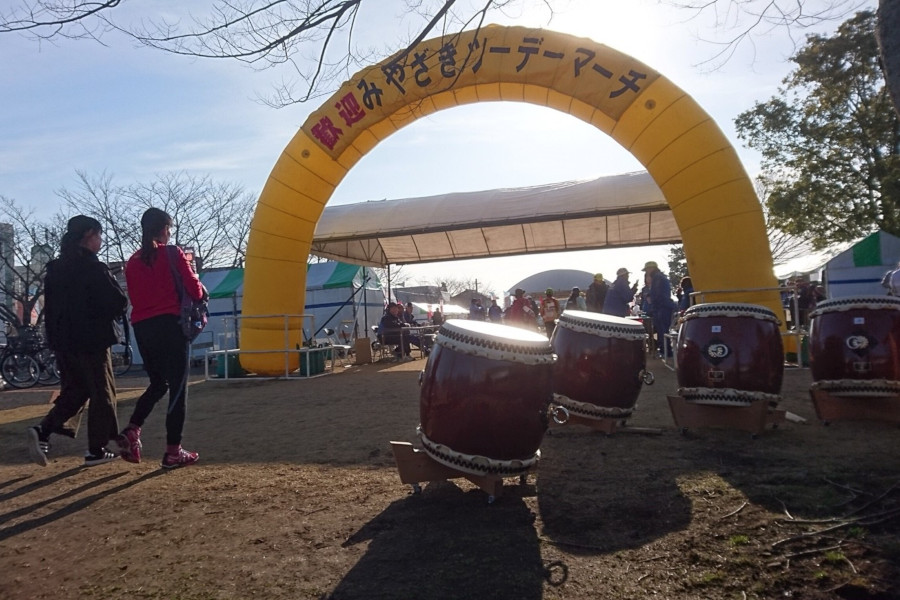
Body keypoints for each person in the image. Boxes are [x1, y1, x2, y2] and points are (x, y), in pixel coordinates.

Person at [26, 215, 129, 467]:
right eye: (99, 236)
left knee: (77, 390)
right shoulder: (94, 268)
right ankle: (97, 449)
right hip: (92, 340)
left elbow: (50, 309)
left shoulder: (55, 270)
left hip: (63, 341)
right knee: (102, 392)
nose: (100, 241)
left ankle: (43, 430)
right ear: (89, 235)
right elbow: (118, 302)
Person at [116, 208, 206, 469]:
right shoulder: (172, 253)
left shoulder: (132, 262)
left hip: (143, 328)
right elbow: (195, 289)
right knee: (177, 387)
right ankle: (173, 451)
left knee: (158, 383)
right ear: (164, 228)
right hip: (171, 325)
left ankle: (133, 428)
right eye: (169, 227)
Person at [643, 261, 676, 357]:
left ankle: (665, 351)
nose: (647, 272)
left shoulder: (657, 278)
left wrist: (652, 302)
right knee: (663, 330)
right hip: (664, 306)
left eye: (647, 270)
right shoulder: (660, 277)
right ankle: (665, 350)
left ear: (651, 268)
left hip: (662, 307)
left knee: (663, 330)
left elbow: (657, 294)